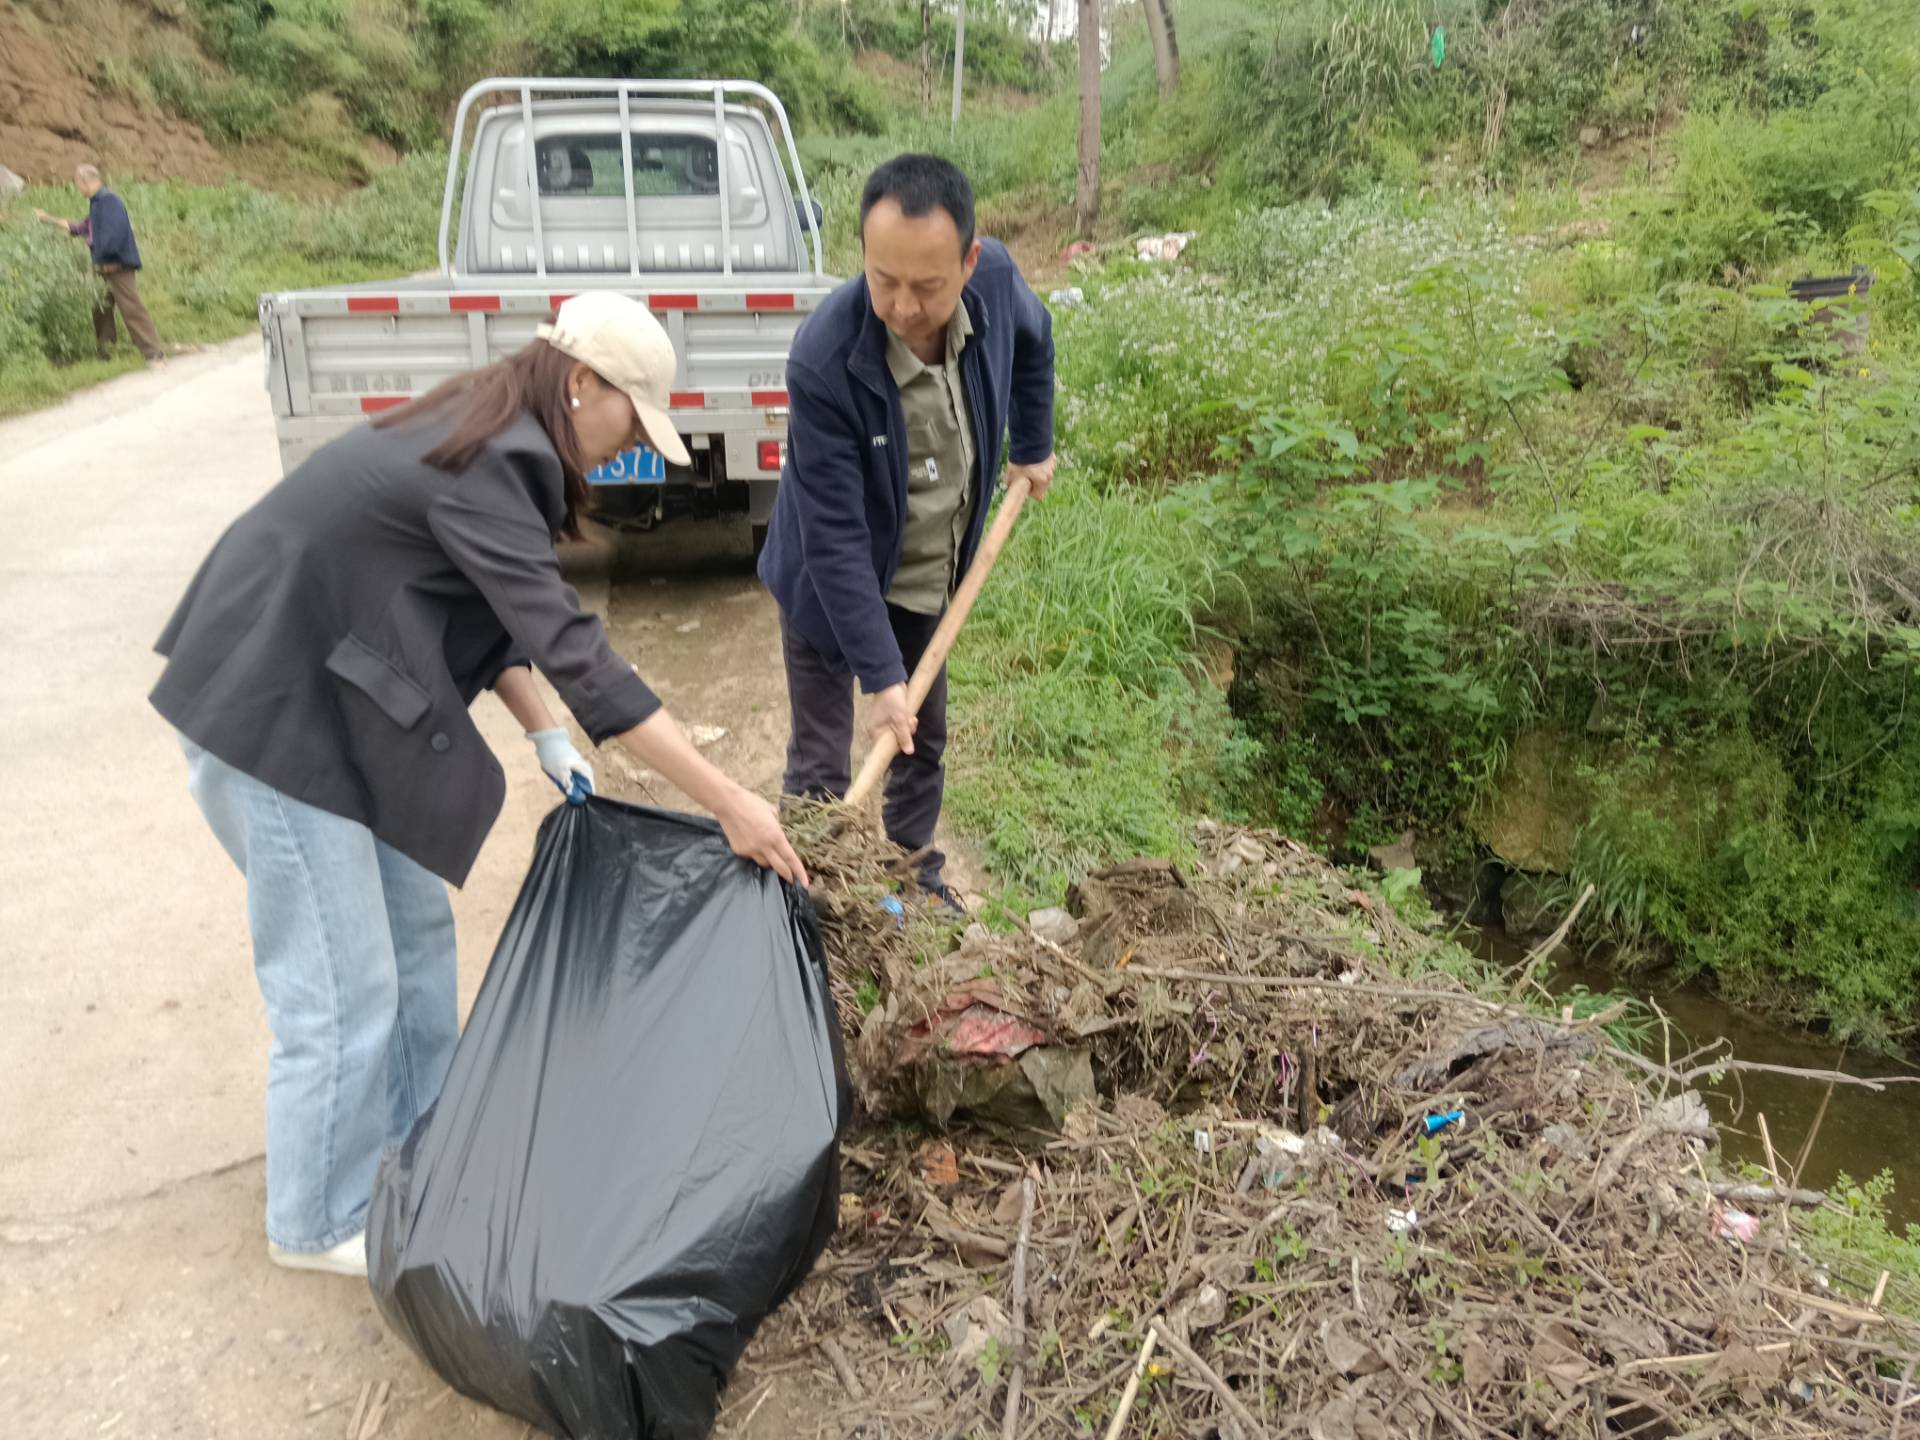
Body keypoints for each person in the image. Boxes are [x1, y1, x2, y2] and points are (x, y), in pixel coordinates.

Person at [152, 291, 808, 1279]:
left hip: (338, 706)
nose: (628, 448)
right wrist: (729, 802)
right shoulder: (498, 456)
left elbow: (489, 610)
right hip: (273, 710)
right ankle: (318, 1218)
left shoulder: (490, 428)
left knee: (416, 938)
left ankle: (428, 1148)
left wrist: (544, 731)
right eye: (632, 423)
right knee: (342, 983)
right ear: (582, 384)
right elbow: (582, 658)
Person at [757, 155, 1056, 915]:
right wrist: (881, 677)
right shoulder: (825, 357)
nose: (902, 305)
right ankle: (807, 902)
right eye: (883, 279)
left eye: (927, 286)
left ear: (969, 263)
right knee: (822, 762)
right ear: (862, 252)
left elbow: (1036, 338)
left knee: (923, 741)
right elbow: (832, 536)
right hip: (830, 583)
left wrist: (1032, 445)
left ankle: (913, 880)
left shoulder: (997, 285)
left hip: (929, 574)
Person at [34, 163, 165, 365]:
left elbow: (113, 237)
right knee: (101, 309)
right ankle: (106, 351)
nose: (77, 188)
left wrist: (93, 245)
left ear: (85, 181)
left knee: (131, 309)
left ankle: (154, 353)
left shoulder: (110, 202)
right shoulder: (96, 203)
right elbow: (79, 227)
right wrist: (47, 218)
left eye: (77, 184)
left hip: (118, 268)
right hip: (103, 269)